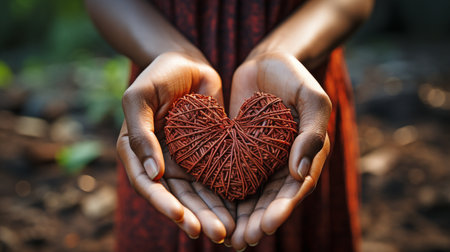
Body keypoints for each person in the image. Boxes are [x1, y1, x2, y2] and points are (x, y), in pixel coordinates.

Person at [85, 0, 373, 251]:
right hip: (168, 91)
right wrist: (172, 53)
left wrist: (279, 52)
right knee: (169, 209)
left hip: (297, 78)